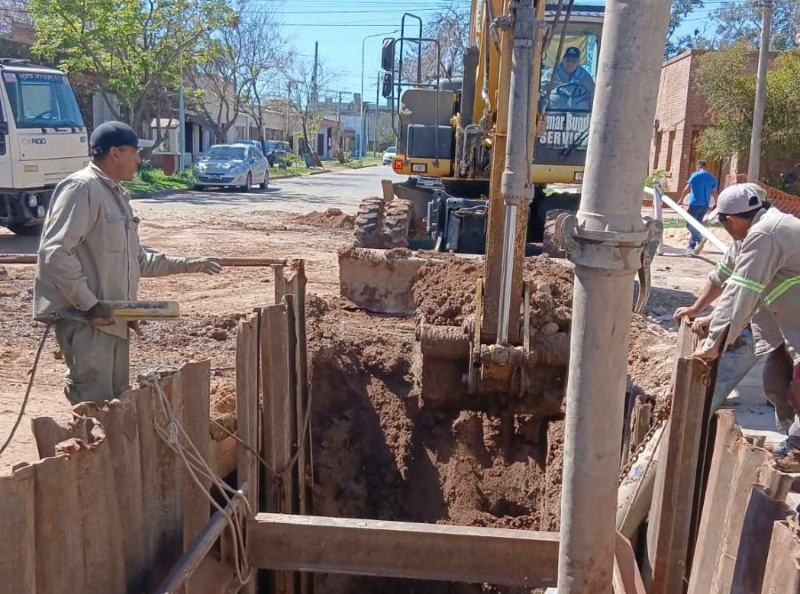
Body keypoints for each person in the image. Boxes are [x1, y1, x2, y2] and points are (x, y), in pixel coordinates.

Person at [33, 121, 223, 405]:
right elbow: (56, 253)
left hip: (111, 320)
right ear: (115, 153)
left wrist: (190, 264)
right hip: (86, 322)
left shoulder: (115, 195)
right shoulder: (82, 188)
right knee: (93, 405)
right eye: (135, 152)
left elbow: (138, 261)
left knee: (114, 405)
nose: (139, 159)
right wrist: (89, 303)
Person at [675, 183, 800, 470]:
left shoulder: (766, 234)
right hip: (787, 324)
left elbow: (743, 290)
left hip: (795, 322)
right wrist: (698, 309)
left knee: (797, 392)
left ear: (729, 220)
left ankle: (797, 446)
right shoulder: (747, 236)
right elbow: (723, 275)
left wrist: (713, 343)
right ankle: (793, 442)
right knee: (775, 384)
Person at [678, 160, 718, 256]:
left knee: (689, 224)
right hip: (705, 205)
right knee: (697, 225)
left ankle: (699, 238)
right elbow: (715, 192)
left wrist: (681, 199)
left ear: (698, 167)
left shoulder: (695, 175)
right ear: (706, 167)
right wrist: (716, 203)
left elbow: (687, 188)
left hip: (695, 203)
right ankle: (691, 247)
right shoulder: (712, 177)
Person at [546, 46, 595, 110]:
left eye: (573, 61)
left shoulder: (585, 77)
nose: (570, 63)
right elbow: (540, 92)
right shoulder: (551, 74)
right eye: (568, 60)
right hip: (553, 115)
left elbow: (594, 94)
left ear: (578, 62)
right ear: (563, 59)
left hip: (581, 116)